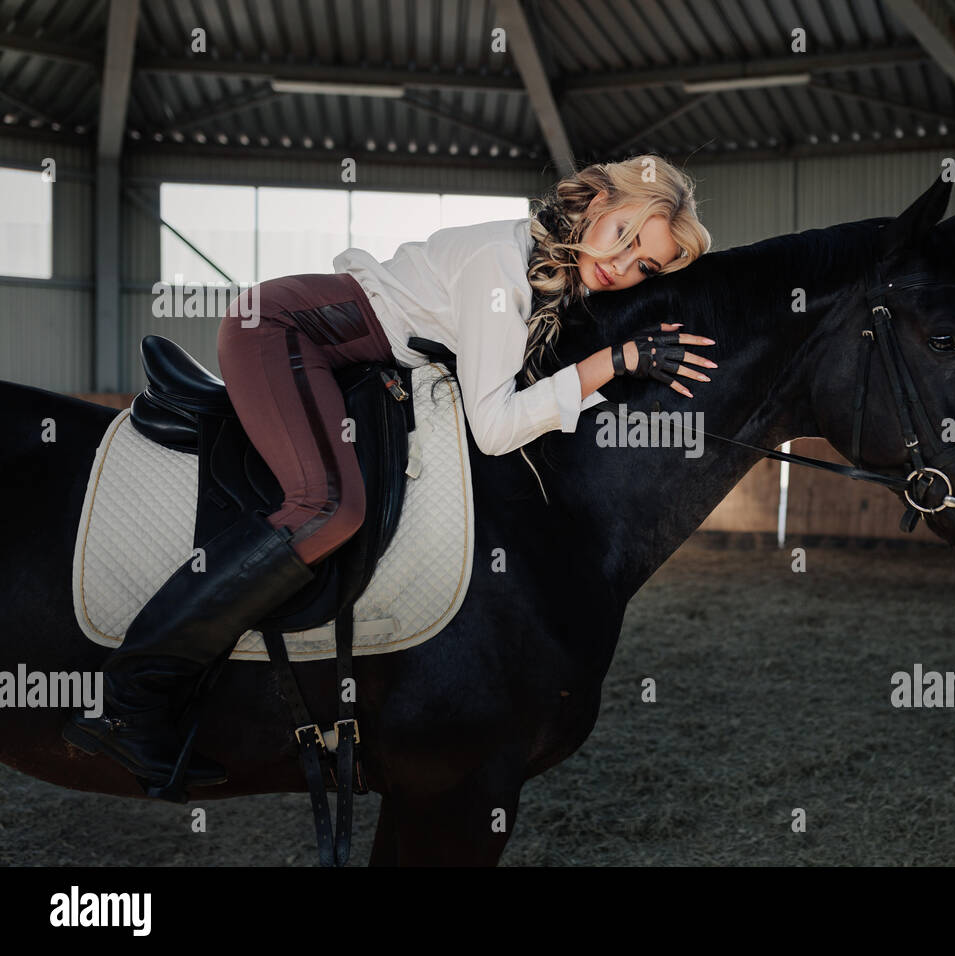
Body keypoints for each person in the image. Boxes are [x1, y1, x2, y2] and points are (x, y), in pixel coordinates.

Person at [63, 154, 715, 792]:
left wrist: (616, 369)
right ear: (597, 202)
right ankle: (130, 698)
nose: (621, 264)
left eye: (644, 265)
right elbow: (494, 428)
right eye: (623, 235)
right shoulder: (504, 266)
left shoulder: (548, 270)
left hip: (327, 345)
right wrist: (613, 363)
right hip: (285, 330)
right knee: (326, 507)